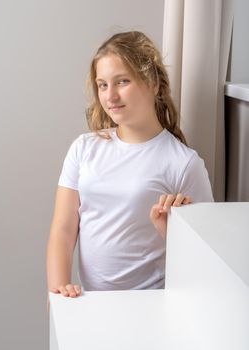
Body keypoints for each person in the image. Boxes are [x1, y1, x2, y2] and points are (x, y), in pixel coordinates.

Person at [46, 31, 213, 298]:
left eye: (122, 81)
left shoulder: (183, 163)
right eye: (102, 85)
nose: (110, 96)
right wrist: (55, 295)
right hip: (87, 303)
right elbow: (63, 230)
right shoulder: (83, 148)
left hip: (150, 306)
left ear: (154, 83)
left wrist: (172, 234)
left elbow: (205, 256)